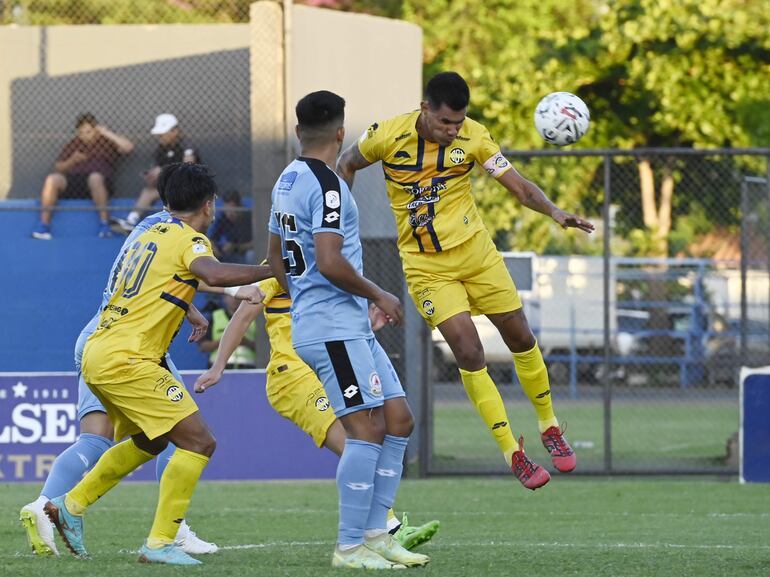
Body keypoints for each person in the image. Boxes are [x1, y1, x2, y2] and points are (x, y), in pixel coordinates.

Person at [337, 72, 594, 490]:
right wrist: (342, 221)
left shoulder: (474, 138)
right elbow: (346, 163)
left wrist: (554, 211)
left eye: (458, 123)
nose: (452, 131)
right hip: (426, 267)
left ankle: (549, 426)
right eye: (445, 123)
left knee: (520, 336)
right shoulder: (386, 135)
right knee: (469, 350)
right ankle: (513, 451)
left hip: (477, 256)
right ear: (425, 110)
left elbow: (519, 187)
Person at [19, 172, 263, 557]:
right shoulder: (191, 239)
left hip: (101, 346)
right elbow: (210, 271)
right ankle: (163, 540)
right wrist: (272, 270)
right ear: (209, 204)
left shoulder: (147, 233)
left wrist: (187, 307)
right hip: (130, 357)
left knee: (152, 438)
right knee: (199, 441)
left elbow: (153, 282)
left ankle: (67, 507)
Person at [267, 90, 429, 570]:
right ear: (341, 133)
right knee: (364, 430)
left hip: (342, 322)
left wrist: (314, 299)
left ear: (298, 132)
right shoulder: (329, 185)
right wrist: (379, 294)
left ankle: (377, 534)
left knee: (398, 419)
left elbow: (277, 258)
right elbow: (331, 260)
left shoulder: (286, 179)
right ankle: (349, 546)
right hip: (333, 326)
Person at [194, 276, 441, 550]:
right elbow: (243, 316)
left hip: (326, 367)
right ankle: (383, 530)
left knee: (372, 437)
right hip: (293, 377)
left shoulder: (324, 265)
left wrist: (368, 323)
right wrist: (218, 367)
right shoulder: (279, 266)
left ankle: (380, 528)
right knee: (355, 443)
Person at [32, 113, 134, 240]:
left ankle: (104, 225)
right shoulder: (75, 143)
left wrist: (105, 132)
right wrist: (72, 160)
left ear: (96, 130)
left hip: (100, 181)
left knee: (94, 178)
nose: (84, 135)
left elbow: (128, 147)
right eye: (81, 132)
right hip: (75, 180)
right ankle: (43, 225)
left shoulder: (107, 142)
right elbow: (58, 167)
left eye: (88, 131)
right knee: (52, 179)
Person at [114, 113, 201, 232]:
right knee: (149, 191)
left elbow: (188, 167)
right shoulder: (160, 149)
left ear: (174, 131)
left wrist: (163, 170)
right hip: (171, 186)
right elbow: (159, 169)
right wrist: (152, 176)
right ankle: (131, 220)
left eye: (162, 134)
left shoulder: (186, 145)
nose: (160, 137)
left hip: (191, 187)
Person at [197, 293, 258, 368]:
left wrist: (246, 342)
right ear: (224, 298)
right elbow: (203, 346)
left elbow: (266, 347)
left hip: (248, 367)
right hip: (218, 368)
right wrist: (226, 341)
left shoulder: (254, 318)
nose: (234, 299)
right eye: (230, 296)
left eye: (238, 296)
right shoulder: (214, 317)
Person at [207, 189, 255, 264]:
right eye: (226, 208)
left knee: (250, 255)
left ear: (238, 207)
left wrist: (235, 247)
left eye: (232, 208)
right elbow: (211, 239)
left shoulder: (247, 217)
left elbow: (255, 243)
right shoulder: (223, 217)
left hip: (245, 251)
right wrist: (215, 250)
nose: (229, 213)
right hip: (229, 253)